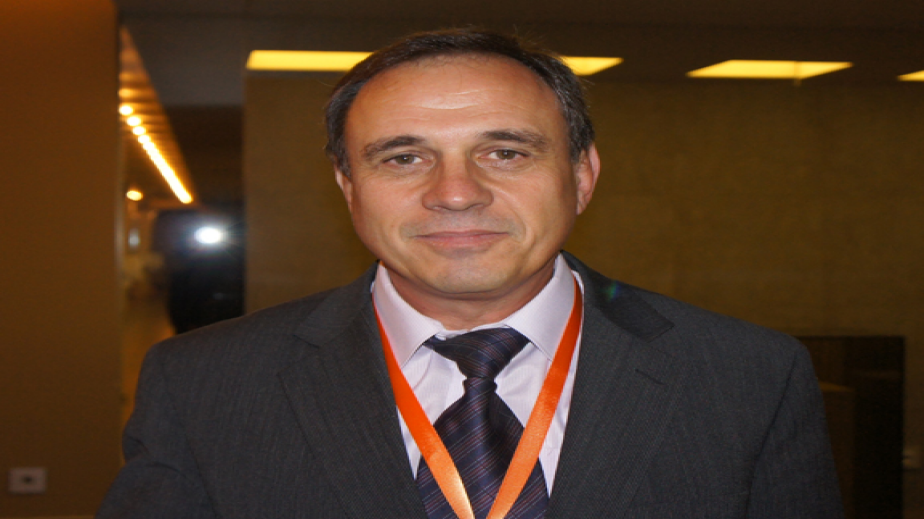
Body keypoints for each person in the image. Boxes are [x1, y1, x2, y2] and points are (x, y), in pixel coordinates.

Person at [98, 29, 843, 518]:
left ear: (582, 176)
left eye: (506, 152)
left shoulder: (748, 376)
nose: (455, 193)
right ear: (349, 188)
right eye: (403, 157)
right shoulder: (203, 385)